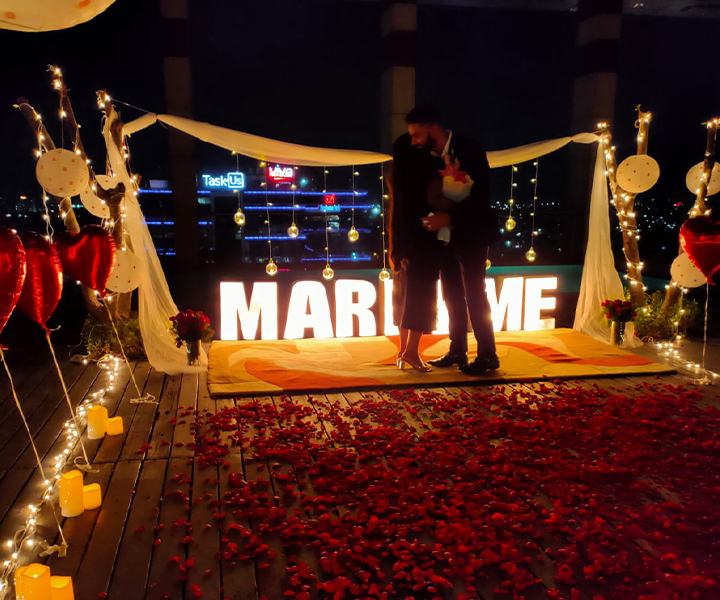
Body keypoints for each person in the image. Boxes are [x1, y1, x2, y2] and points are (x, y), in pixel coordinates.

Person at [405, 106, 501, 376]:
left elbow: (480, 195)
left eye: (416, 135)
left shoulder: (470, 147)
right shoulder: (427, 158)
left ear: (433, 129)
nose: (413, 141)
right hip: (446, 237)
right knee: (451, 293)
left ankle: (488, 355)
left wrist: (448, 216)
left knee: (475, 293)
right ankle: (457, 349)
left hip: (473, 232)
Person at [388, 132, 441, 372]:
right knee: (422, 297)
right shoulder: (426, 174)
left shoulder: (397, 177)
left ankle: (403, 351)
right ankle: (411, 351)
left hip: (403, 241)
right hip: (423, 238)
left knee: (403, 295)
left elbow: (394, 212)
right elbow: (434, 203)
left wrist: (393, 245)